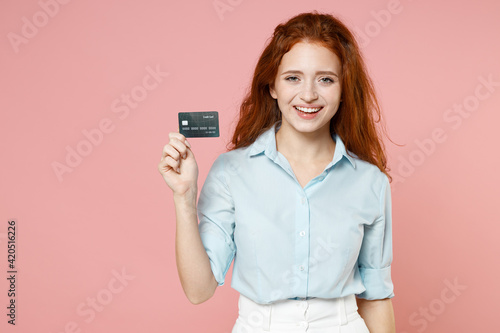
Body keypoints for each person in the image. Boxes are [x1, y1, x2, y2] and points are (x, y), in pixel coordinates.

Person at [158, 11, 396, 333]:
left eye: (325, 79)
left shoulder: (370, 182)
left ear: (343, 89)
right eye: (293, 78)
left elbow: (376, 297)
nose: (308, 94)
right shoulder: (232, 172)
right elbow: (199, 291)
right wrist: (184, 198)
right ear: (272, 85)